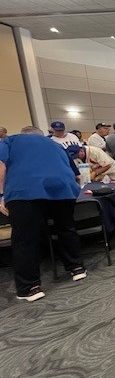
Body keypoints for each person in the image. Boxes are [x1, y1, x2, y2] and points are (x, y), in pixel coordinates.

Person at [0, 126, 86, 302]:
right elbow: (76, 175)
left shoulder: (9, 141)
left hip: (25, 191)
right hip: (62, 189)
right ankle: (76, 268)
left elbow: (1, 167)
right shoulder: (56, 145)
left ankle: (29, 287)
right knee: (66, 228)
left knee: (25, 239)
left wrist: (2, 195)